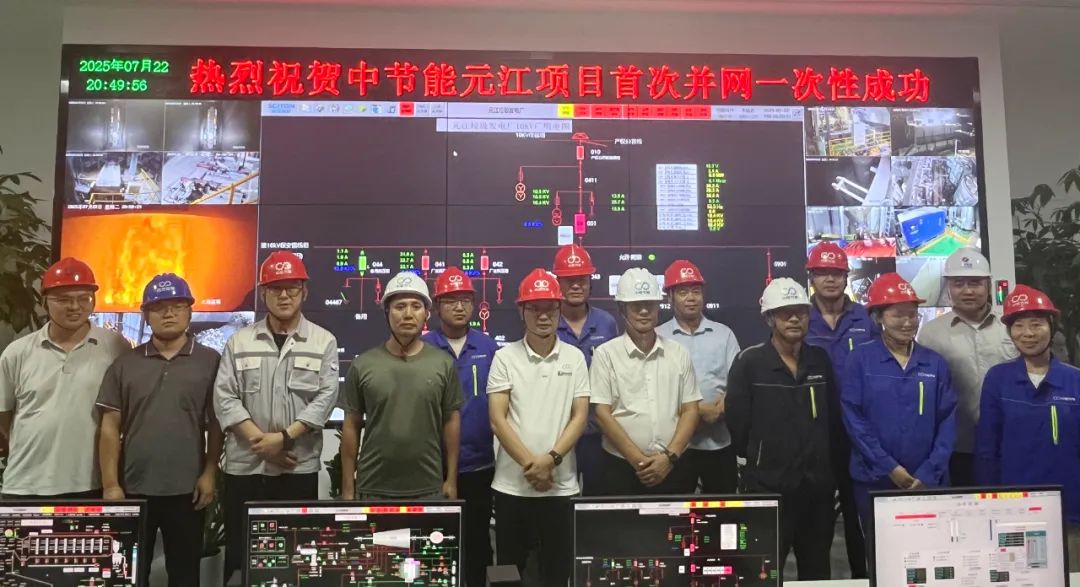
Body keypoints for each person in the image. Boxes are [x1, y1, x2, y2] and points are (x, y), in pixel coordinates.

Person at [214, 251, 340, 583]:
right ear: (263, 293)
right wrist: (263, 444)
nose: (284, 295)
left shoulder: (323, 341)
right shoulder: (240, 342)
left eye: (292, 288)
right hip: (246, 468)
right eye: (275, 288)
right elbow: (225, 397)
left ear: (304, 292)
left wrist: (283, 439)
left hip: (296, 467)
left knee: (297, 559)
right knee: (241, 556)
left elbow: (325, 399)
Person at [97, 273, 223, 587]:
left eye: (177, 306)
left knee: (184, 575)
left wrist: (210, 472)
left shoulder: (210, 362)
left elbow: (217, 423)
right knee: (129, 575)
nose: (168, 313)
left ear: (190, 312)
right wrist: (111, 485)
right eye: (158, 307)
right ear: (146, 314)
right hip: (133, 490)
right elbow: (110, 426)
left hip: (187, 491)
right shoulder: (125, 364)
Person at [726, 277, 837, 580]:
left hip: (816, 490)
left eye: (800, 312)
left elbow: (833, 420)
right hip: (769, 488)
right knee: (764, 572)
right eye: (785, 313)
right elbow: (738, 424)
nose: (794, 319)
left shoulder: (820, 360)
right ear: (769, 318)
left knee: (817, 570)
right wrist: (761, 460)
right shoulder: (749, 363)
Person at [488, 269, 590, 587]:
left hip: (561, 486)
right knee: (507, 573)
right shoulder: (504, 357)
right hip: (512, 486)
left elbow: (580, 417)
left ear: (560, 310)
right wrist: (532, 466)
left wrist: (551, 460)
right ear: (521, 311)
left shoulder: (574, 358)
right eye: (535, 308)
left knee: (557, 573)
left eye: (550, 308)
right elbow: (497, 419)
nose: (543, 316)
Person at [0, 258, 129, 499]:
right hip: (25, 484)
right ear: (44, 301)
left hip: (90, 483)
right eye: (63, 299)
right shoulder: (17, 353)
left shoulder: (116, 347)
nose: (74, 307)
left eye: (84, 298)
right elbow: (4, 417)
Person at [841, 273, 957, 530]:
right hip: (874, 478)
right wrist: (889, 467)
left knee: (931, 546)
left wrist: (928, 472)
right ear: (878, 317)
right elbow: (853, 419)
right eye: (898, 315)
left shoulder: (934, 363)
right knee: (880, 546)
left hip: (926, 480)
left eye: (913, 315)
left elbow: (947, 421)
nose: (907, 322)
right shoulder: (860, 359)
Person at [975, 285, 1080, 568]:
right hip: (1014, 507)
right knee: (1018, 576)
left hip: (1069, 508)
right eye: (1019, 326)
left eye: (1036, 324)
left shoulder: (1074, 381)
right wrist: (988, 503)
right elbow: (987, 448)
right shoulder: (998, 379)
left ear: (1051, 327)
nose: (1028, 333)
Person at [339, 271, 462, 501]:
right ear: (387, 312)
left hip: (428, 488)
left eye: (416, 306)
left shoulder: (444, 364)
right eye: (400, 306)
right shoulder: (362, 365)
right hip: (373, 488)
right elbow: (351, 426)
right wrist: (347, 488)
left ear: (426, 314)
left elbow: (451, 422)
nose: (408, 314)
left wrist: (451, 480)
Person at [420, 266, 499, 587]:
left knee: (478, 543)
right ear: (437, 306)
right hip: (431, 466)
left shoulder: (488, 348)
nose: (459, 306)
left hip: (480, 465)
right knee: (433, 543)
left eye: (465, 299)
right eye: (451, 300)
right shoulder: (423, 347)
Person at [591, 268, 700, 495]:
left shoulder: (678, 353)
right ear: (622, 309)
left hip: (674, 467)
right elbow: (601, 413)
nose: (643, 311)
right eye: (635, 305)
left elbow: (690, 410)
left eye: (649, 305)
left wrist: (669, 458)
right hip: (621, 468)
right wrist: (638, 460)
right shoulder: (605, 355)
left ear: (658, 307)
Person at [804, 242, 876, 578]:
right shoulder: (799, 317)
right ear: (811, 278)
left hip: (857, 431)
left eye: (836, 273)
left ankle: (862, 578)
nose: (830, 279)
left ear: (847, 277)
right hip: (814, 432)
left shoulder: (865, 318)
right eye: (823, 273)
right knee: (816, 519)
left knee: (856, 512)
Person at [917, 248, 1016, 487]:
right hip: (957, 446)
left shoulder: (1010, 327)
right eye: (958, 283)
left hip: (1009, 440)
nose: (968, 291)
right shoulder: (931, 334)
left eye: (975, 283)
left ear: (988, 285)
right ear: (948, 288)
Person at [656, 260, 740, 494]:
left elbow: (738, 383)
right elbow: (654, 390)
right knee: (676, 511)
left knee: (722, 510)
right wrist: (699, 412)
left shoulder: (724, 334)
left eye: (696, 291)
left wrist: (720, 409)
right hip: (674, 447)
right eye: (683, 292)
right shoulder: (658, 337)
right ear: (670, 297)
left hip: (719, 443)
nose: (691, 298)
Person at [552, 244, 618, 496]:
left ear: (591, 282)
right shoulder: (546, 323)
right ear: (558, 282)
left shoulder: (606, 323)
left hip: (598, 432)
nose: (576, 286)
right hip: (558, 430)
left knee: (597, 502)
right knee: (559, 500)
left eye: (582, 279)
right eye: (569, 280)